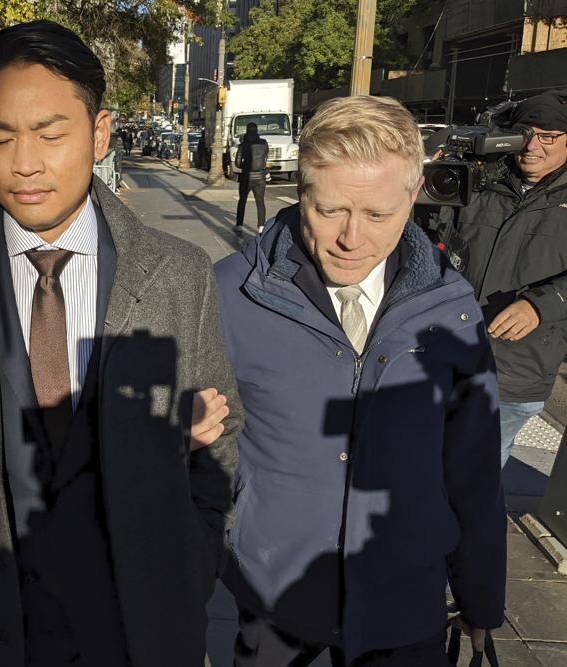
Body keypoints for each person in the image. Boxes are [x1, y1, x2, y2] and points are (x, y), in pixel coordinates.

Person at [0, 20, 241, 667]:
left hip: (142, 626)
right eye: (0, 136)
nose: (24, 163)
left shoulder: (177, 272)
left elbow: (220, 431)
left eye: (50, 134)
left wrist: (193, 562)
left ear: (98, 133)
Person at [212, 96, 506, 666]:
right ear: (298, 192)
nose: (352, 238)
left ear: (414, 192)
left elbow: (473, 473)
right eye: (329, 211)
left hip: (407, 603)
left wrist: (481, 597)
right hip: (274, 596)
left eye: (377, 215)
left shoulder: (452, 308)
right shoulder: (230, 292)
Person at [438, 88, 567, 468]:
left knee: (475, 474)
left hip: (518, 369)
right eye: (526, 133)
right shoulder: (478, 181)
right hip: (445, 353)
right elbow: (430, 243)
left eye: (548, 136)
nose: (532, 146)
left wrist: (541, 305)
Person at [234, 122, 268, 228]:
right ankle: (261, 226)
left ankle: (239, 224)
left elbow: (237, 163)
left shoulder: (243, 145)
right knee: (260, 202)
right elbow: (266, 156)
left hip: (246, 177)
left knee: (242, 200)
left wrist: (244, 166)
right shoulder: (263, 143)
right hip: (260, 177)